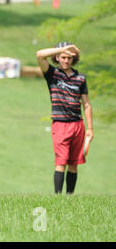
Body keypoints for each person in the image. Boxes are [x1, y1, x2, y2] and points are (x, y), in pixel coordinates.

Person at [36, 42, 94, 194]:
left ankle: (69, 197)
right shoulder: (52, 74)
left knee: (74, 164)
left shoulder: (80, 78)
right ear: (58, 57)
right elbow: (39, 55)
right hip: (60, 125)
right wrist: (63, 48)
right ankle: (58, 197)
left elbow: (86, 105)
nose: (66, 61)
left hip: (78, 125)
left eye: (69, 57)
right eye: (63, 57)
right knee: (61, 162)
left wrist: (90, 128)